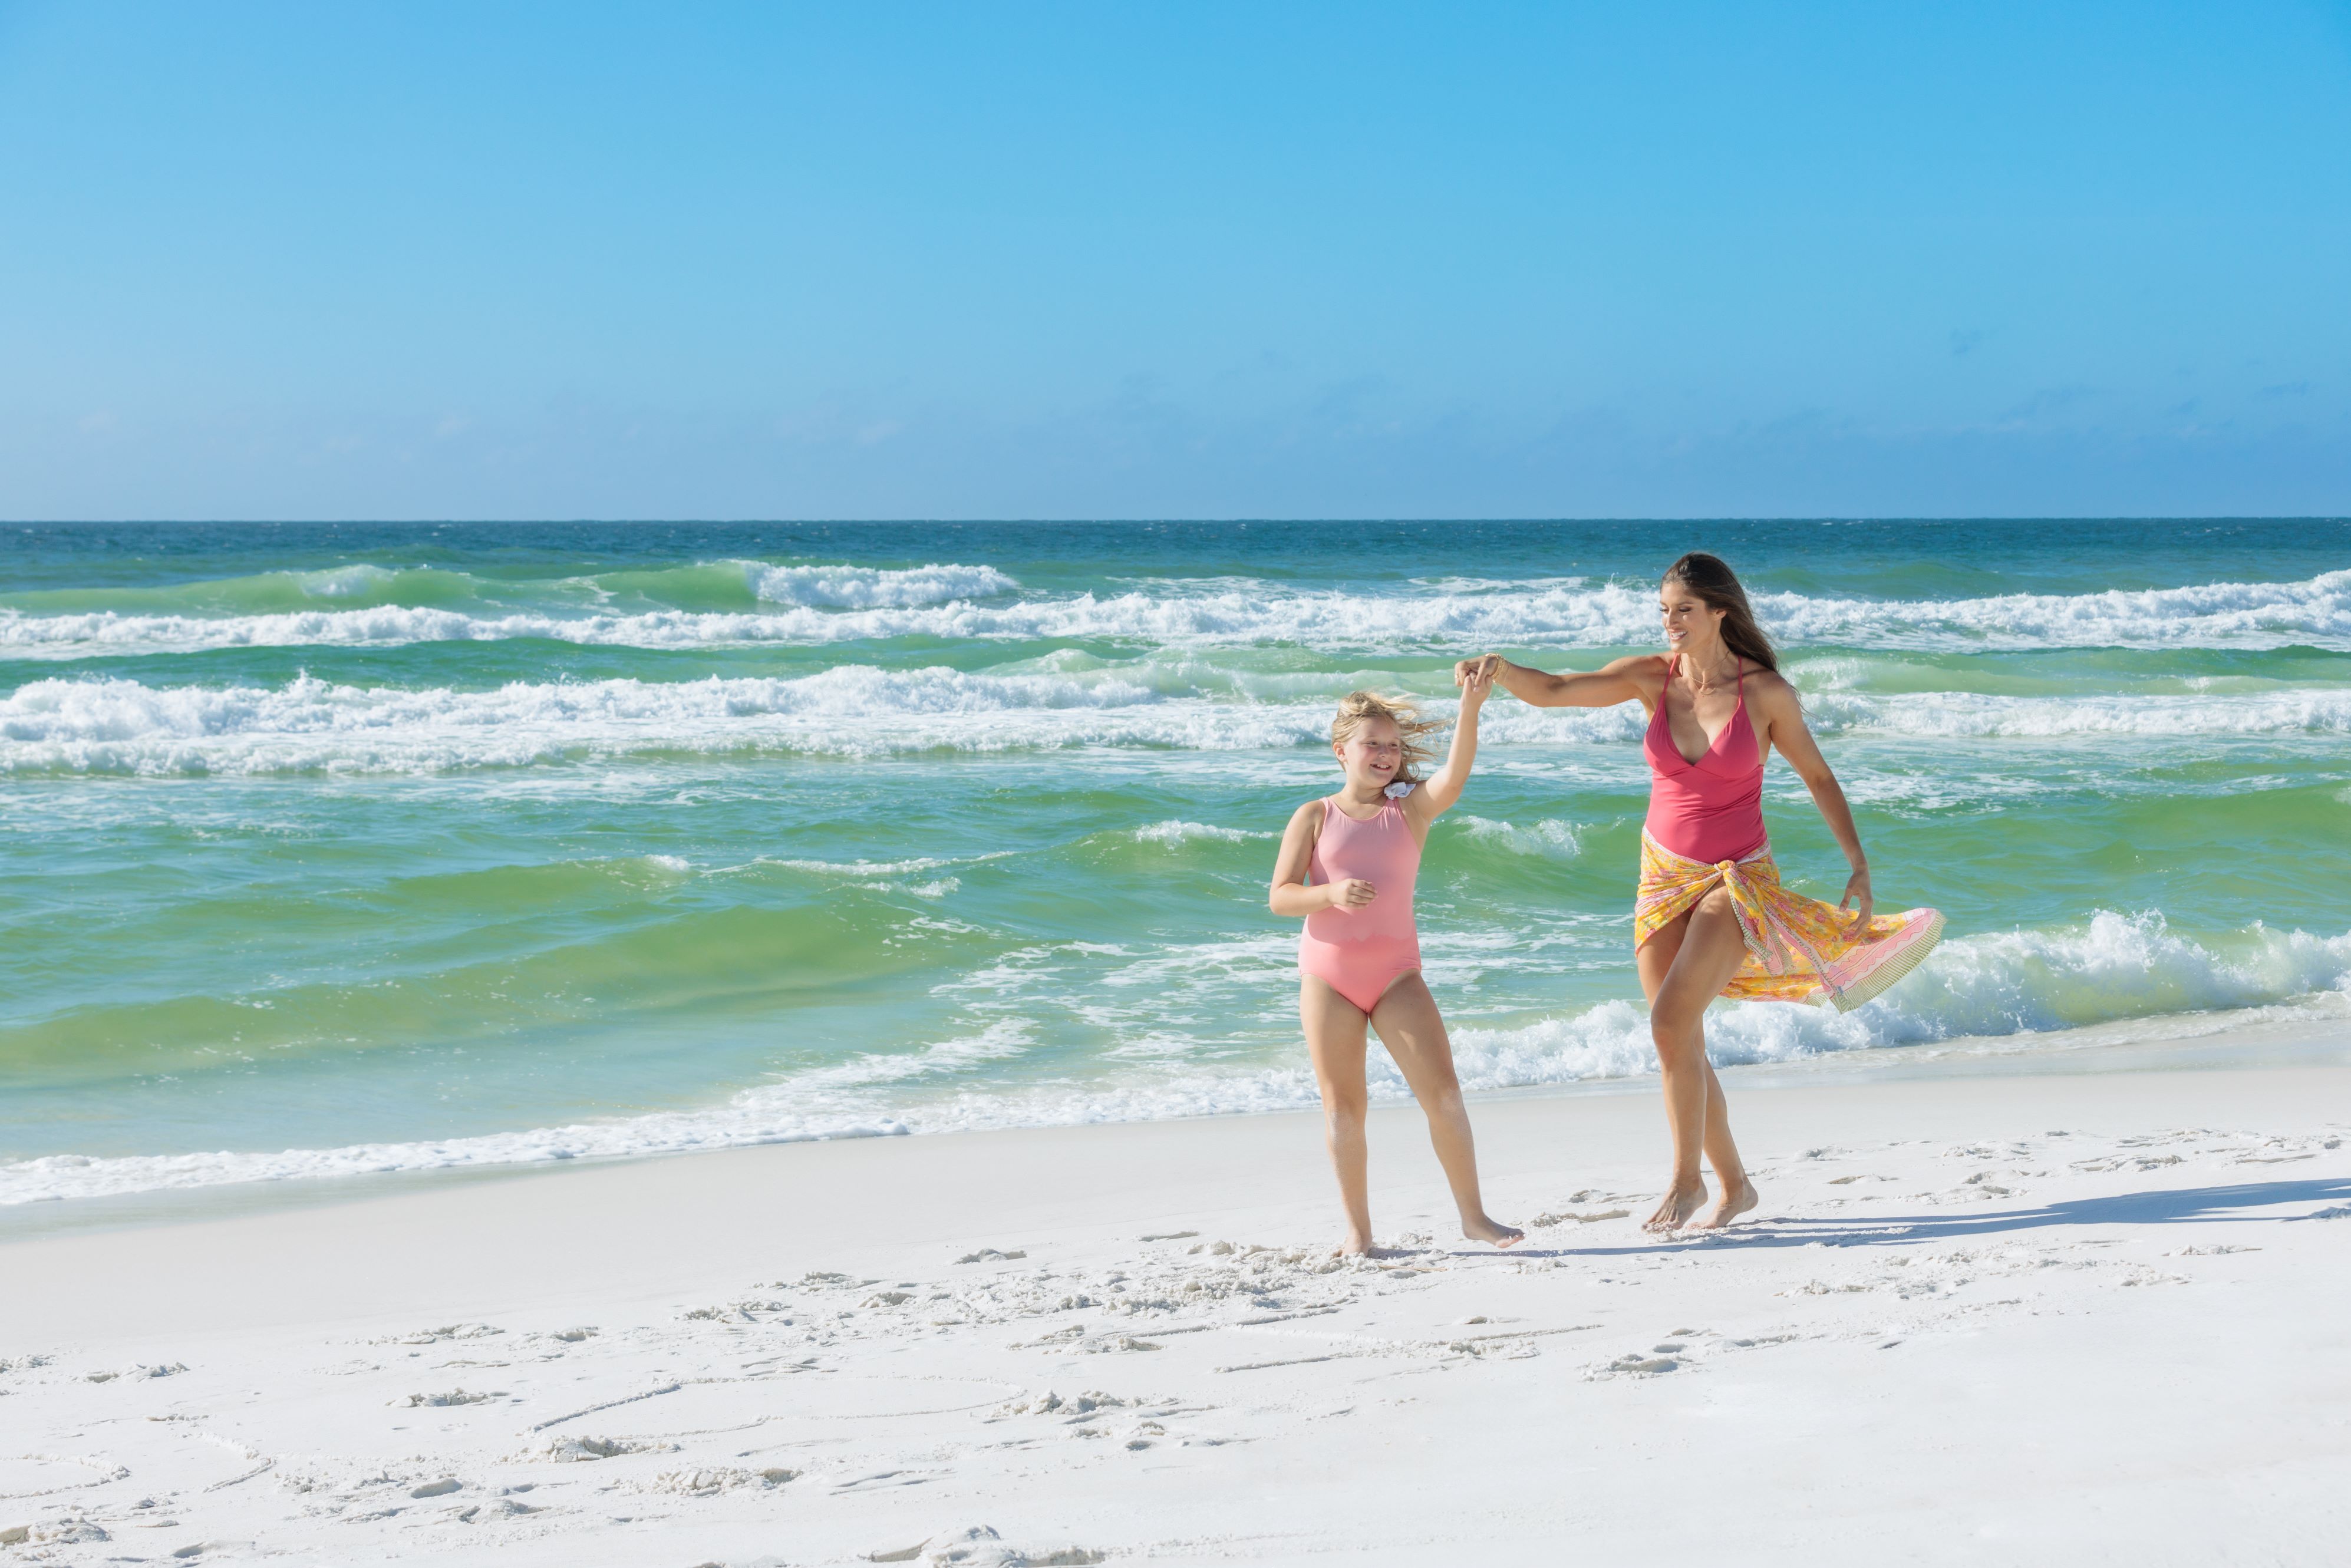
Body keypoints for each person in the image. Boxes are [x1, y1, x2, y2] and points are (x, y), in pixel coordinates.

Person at [1460, 552, 1943, 1234]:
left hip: (1737, 878)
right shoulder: (1648, 679)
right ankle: (1736, 1186)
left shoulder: (1764, 693)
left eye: (1682, 610)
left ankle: (1685, 1181)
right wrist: (1502, 670)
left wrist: (1857, 864)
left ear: (1720, 611)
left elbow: (1818, 776)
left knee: (1665, 1021)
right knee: (1679, 1039)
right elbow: (1557, 688)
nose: (1669, 623)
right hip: (1661, 877)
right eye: (1662, 611)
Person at [1268, 670, 1523, 1256]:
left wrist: (1470, 706)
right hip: (1327, 978)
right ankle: (1358, 1233)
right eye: (1371, 745)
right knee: (1343, 1109)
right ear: (1341, 753)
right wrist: (1327, 894)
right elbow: (1280, 896)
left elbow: (1453, 777)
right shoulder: (1313, 816)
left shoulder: (1408, 812)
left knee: (1445, 1096)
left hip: (1395, 976)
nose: (1384, 755)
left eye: (1391, 746)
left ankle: (1473, 1216)